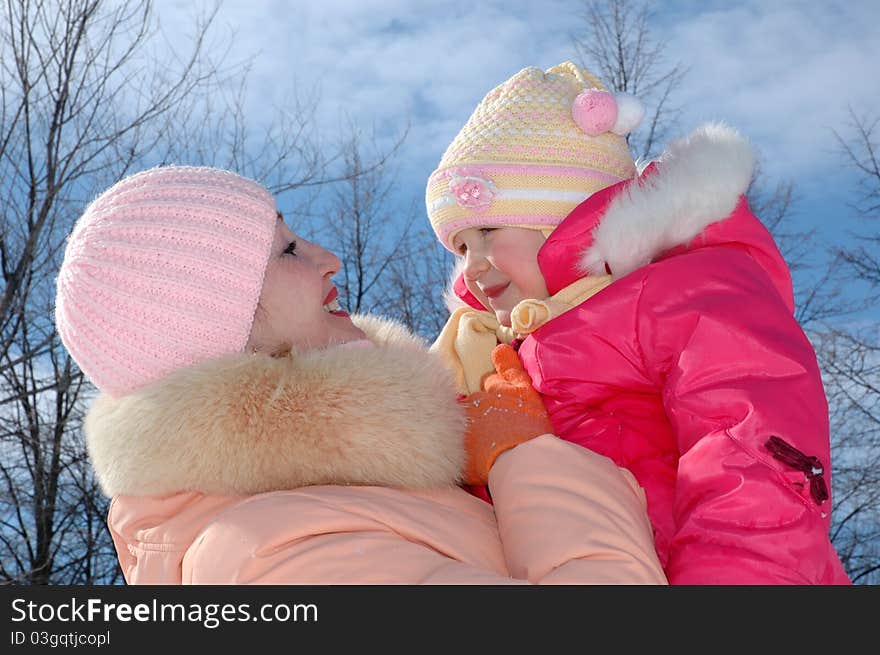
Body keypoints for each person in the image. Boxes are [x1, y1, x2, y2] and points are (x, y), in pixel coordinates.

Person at [54, 165, 666, 585]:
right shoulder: (269, 557)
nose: (329, 259)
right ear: (209, 327)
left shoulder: (344, 494)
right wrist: (527, 456)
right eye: (287, 251)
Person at [425, 61, 852, 585]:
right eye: (462, 246)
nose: (472, 265)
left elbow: (748, 451)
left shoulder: (685, 293)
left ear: (564, 216)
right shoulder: (489, 356)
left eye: (489, 232)